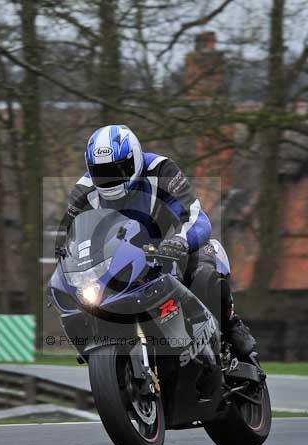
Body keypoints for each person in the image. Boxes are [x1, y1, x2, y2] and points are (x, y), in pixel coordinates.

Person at [61, 124, 258, 364]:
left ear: (134, 159)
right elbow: (74, 239)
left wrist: (179, 241)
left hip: (170, 247)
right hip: (120, 262)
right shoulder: (83, 191)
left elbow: (195, 217)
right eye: (102, 172)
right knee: (82, 299)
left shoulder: (161, 170)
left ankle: (229, 325)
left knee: (205, 271)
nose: (111, 178)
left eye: (118, 169)